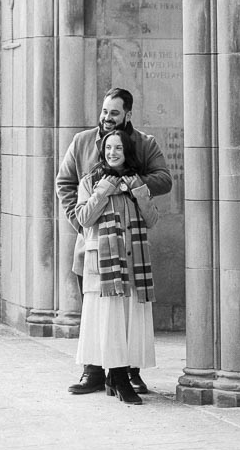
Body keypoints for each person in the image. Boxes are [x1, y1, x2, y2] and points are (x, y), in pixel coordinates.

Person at [56, 86, 172, 395]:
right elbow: (64, 182)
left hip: (130, 240)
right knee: (95, 309)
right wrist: (79, 220)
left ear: (128, 115)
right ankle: (93, 371)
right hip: (92, 240)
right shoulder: (81, 142)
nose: (107, 118)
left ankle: (128, 371)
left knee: (128, 310)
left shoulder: (145, 143)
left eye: (114, 113)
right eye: (105, 111)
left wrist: (127, 182)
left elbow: (163, 179)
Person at [72, 128, 160, 404]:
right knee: (109, 321)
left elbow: (152, 219)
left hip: (133, 263)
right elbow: (83, 219)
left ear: (127, 151)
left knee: (126, 320)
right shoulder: (90, 181)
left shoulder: (136, 182)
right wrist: (104, 191)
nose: (113, 153)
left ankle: (118, 377)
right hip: (104, 267)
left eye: (118, 148)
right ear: (102, 150)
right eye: (108, 148)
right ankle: (119, 378)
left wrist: (139, 193)